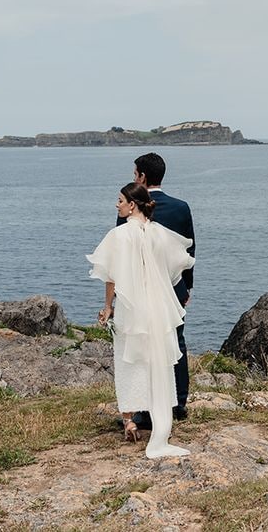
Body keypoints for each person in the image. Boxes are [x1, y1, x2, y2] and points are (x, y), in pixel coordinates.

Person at [87, 182, 194, 458]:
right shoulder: (159, 234)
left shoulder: (120, 235)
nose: (117, 205)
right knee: (157, 361)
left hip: (132, 306)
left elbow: (111, 275)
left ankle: (129, 417)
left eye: (120, 200)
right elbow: (175, 269)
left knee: (130, 360)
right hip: (157, 307)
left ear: (132, 205)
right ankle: (161, 428)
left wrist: (107, 306)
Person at [117, 153, 195, 428]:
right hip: (173, 285)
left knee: (142, 345)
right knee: (176, 341)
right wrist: (188, 286)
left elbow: (123, 257)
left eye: (134, 172)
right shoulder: (182, 207)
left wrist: (118, 296)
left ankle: (145, 408)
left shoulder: (130, 209)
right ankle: (179, 402)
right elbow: (188, 249)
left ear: (142, 177)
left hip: (141, 287)